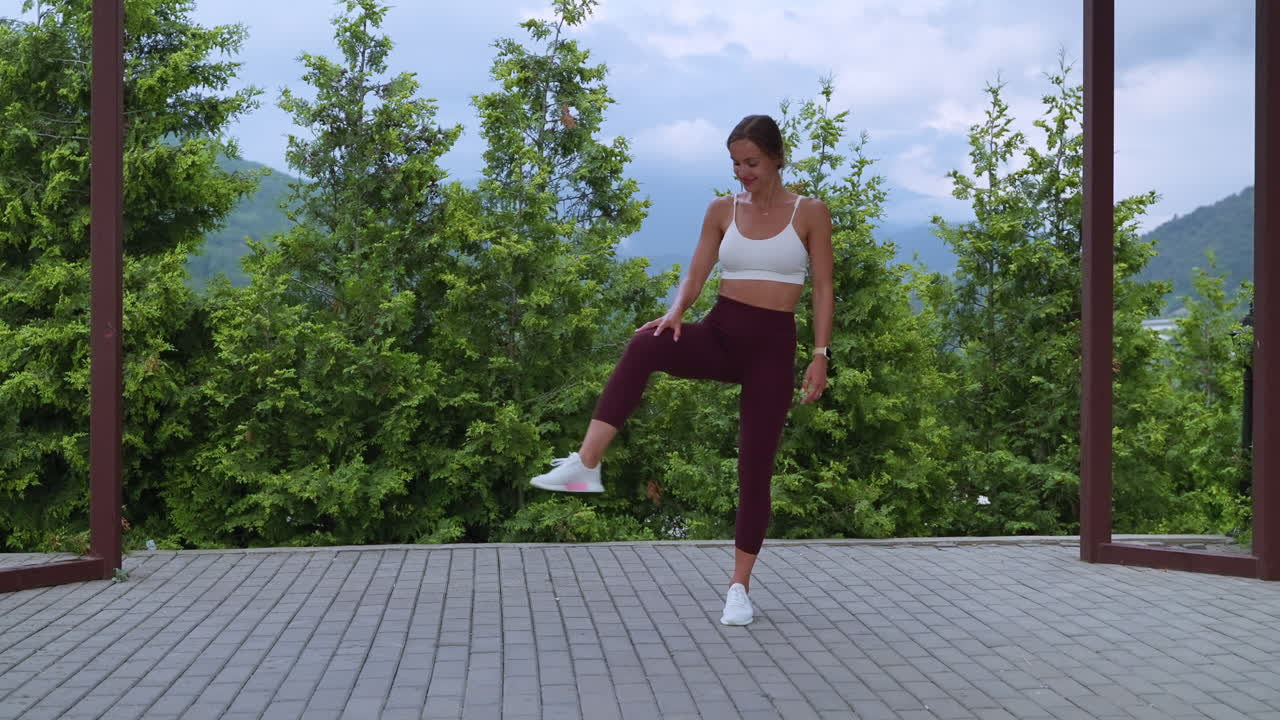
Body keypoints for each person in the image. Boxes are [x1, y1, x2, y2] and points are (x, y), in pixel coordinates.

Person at [529, 114, 834, 626]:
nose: (743, 172)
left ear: (777, 157)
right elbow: (697, 270)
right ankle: (587, 462)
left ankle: (739, 586)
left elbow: (823, 287)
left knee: (754, 469)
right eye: (735, 163)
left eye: (752, 162)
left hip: (772, 352)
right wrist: (676, 312)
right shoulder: (721, 210)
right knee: (645, 343)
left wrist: (820, 355)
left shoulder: (810, 213)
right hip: (720, 333)